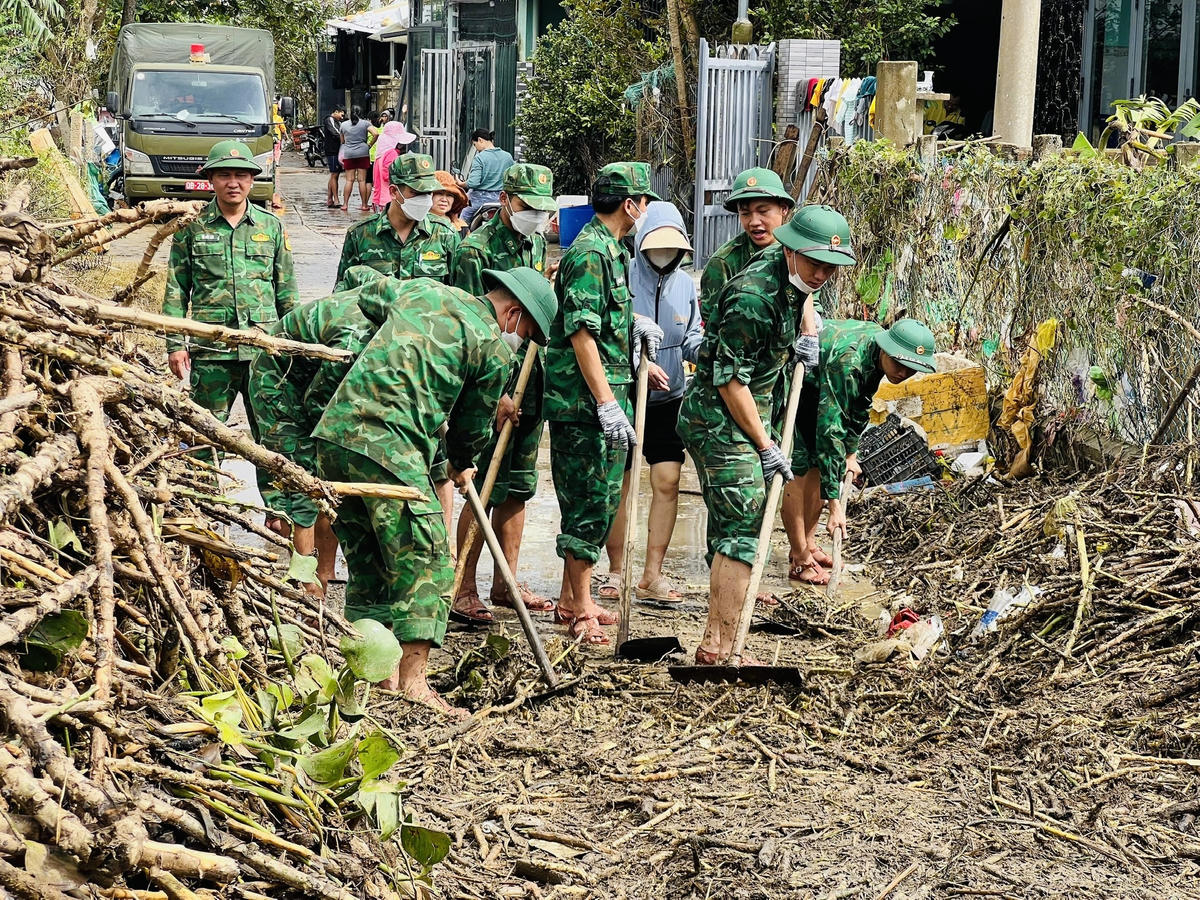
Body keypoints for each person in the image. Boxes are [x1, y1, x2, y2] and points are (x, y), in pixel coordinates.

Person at [311, 268, 558, 714]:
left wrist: (406, 354)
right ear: (513, 314)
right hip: (388, 445)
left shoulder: (425, 290)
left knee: (371, 563)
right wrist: (462, 462)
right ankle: (413, 682)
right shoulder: (491, 347)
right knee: (428, 561)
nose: (521, 342)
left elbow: (369, 295)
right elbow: (470, 425)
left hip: (334, 437)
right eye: (527, 333)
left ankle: (374, 674)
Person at [676, 205, 854, 665]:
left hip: (750, 412)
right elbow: (729, 381)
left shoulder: (794, 276)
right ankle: (724, 648)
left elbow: (803, 293)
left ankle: (715, 643)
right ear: (791, 250)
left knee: (733, 530)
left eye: (830, 267)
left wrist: (806, 329)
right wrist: (766, 444)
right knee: (744, 531)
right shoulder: (753, 298)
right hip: (719, 419)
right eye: (814, 263)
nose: (821, 275)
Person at [544, 162, 664, 645]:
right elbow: (581, 333)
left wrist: (632, 324)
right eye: (644, 201)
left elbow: (601, 318)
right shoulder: (591, 253)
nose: (646, 210)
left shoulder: (613, 250)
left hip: (601, 396)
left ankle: (572, 598)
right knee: (588, 504)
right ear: (630, 204)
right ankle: (580, 607)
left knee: (598, 500)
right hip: (583, 406)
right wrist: (606, 401)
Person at [448, 163, 557, 624]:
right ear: (507, 201)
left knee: (518, 487)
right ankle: (462, 587)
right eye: (529, 206)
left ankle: (505, 583)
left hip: (530, 379)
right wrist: (494, 396)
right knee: (483, 487)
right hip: (489, 387)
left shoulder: (535, 242)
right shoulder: (474, 252)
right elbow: (468, 327)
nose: (537, 216)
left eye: (543, 209)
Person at [249, 266, 392, 596]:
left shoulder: (380, 300)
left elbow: (356, 272)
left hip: (309, 378)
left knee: (327, 480)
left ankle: (323, 572)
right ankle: (305, 581)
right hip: (277, 382)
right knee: (301, 479)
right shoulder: (355, 335)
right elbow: (319, 402)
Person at [163, 140, 298, 490]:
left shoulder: (271, 226)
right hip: (211, 352)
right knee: (205, 436)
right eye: (224, 175)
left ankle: (278, 512)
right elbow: (176, 288)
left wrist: (293, 347)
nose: (233, 183)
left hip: (263, 352)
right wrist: (175, 345)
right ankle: (202, 503)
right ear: (210, 180)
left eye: (241, 175)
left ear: (252, 180)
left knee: (273, 439)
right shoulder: (191, 227)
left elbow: (287, 292)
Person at [783, 318, 937, 584]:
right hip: (795, 385)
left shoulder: (877, 358)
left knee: (819, 466)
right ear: (886, 350)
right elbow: (830, 432)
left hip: (822, 388)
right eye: (899, 363)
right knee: (799, 469)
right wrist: (834, 505)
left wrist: (851, 456)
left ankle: (808, 543)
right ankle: (799, 558)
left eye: (911, 368)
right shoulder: (849, 363)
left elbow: (858, 406)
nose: (903, 373)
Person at [601, 202, 700, 604]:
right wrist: (640, 361)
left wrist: (706, 350)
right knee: (621, 484)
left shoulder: (685, 285)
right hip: (626, 397)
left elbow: (690, 335)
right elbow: (606, 333)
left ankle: (652, 574)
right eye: (655, 247)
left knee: (667, 480)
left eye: (670, 249)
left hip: (669, 398)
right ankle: (616, 570)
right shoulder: (621, 276)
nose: (663, 255)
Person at [336, 152, 461, 289]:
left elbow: (461, 296)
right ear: (394, 191)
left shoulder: (445, 234)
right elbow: (343, 293)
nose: (424, 199)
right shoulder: (360, 235)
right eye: (417, 193)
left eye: (428, 193)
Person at [700, 168, 795, 322]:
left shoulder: (797, 253)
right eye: (745, 213)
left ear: (783, 209)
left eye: (763, 211)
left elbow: (813, 303)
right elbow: (712, 322)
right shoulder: (723, 263)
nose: (754, 222)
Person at [459, 129, 515, 227]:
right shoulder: (508, 157)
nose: (476, 148)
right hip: (501, 200)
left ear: (480, 140)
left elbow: (473, 183)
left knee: (461, 222)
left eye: (475, 145)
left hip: (479, 200)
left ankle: (461, 236)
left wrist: (460, 184)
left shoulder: (480, 157)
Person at [370, 121, 417, 210]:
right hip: (387, 200)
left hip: (378, 199)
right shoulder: (391, 154)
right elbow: (389, 176)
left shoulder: (381, 153)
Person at [339, 106, 372, 211]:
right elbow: (376, 133)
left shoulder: (343, 125)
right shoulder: (366, 123)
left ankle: (345, 204)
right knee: (362, 181)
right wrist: (369, 144)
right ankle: (364, 205)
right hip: (363, 153)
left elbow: (342, 141)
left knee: (349, 180)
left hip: (349, 153)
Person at [324, 106, 345, 207]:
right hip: (332, 151)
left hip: (338, 150)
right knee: (334, 174)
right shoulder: (329, 120)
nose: (342, 117)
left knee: (334, 175)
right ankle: (336, 199)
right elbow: (335, 132)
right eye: (341, 114)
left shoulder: (339, 122)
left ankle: (329, 199)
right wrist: (343, 138)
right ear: (336, 112)